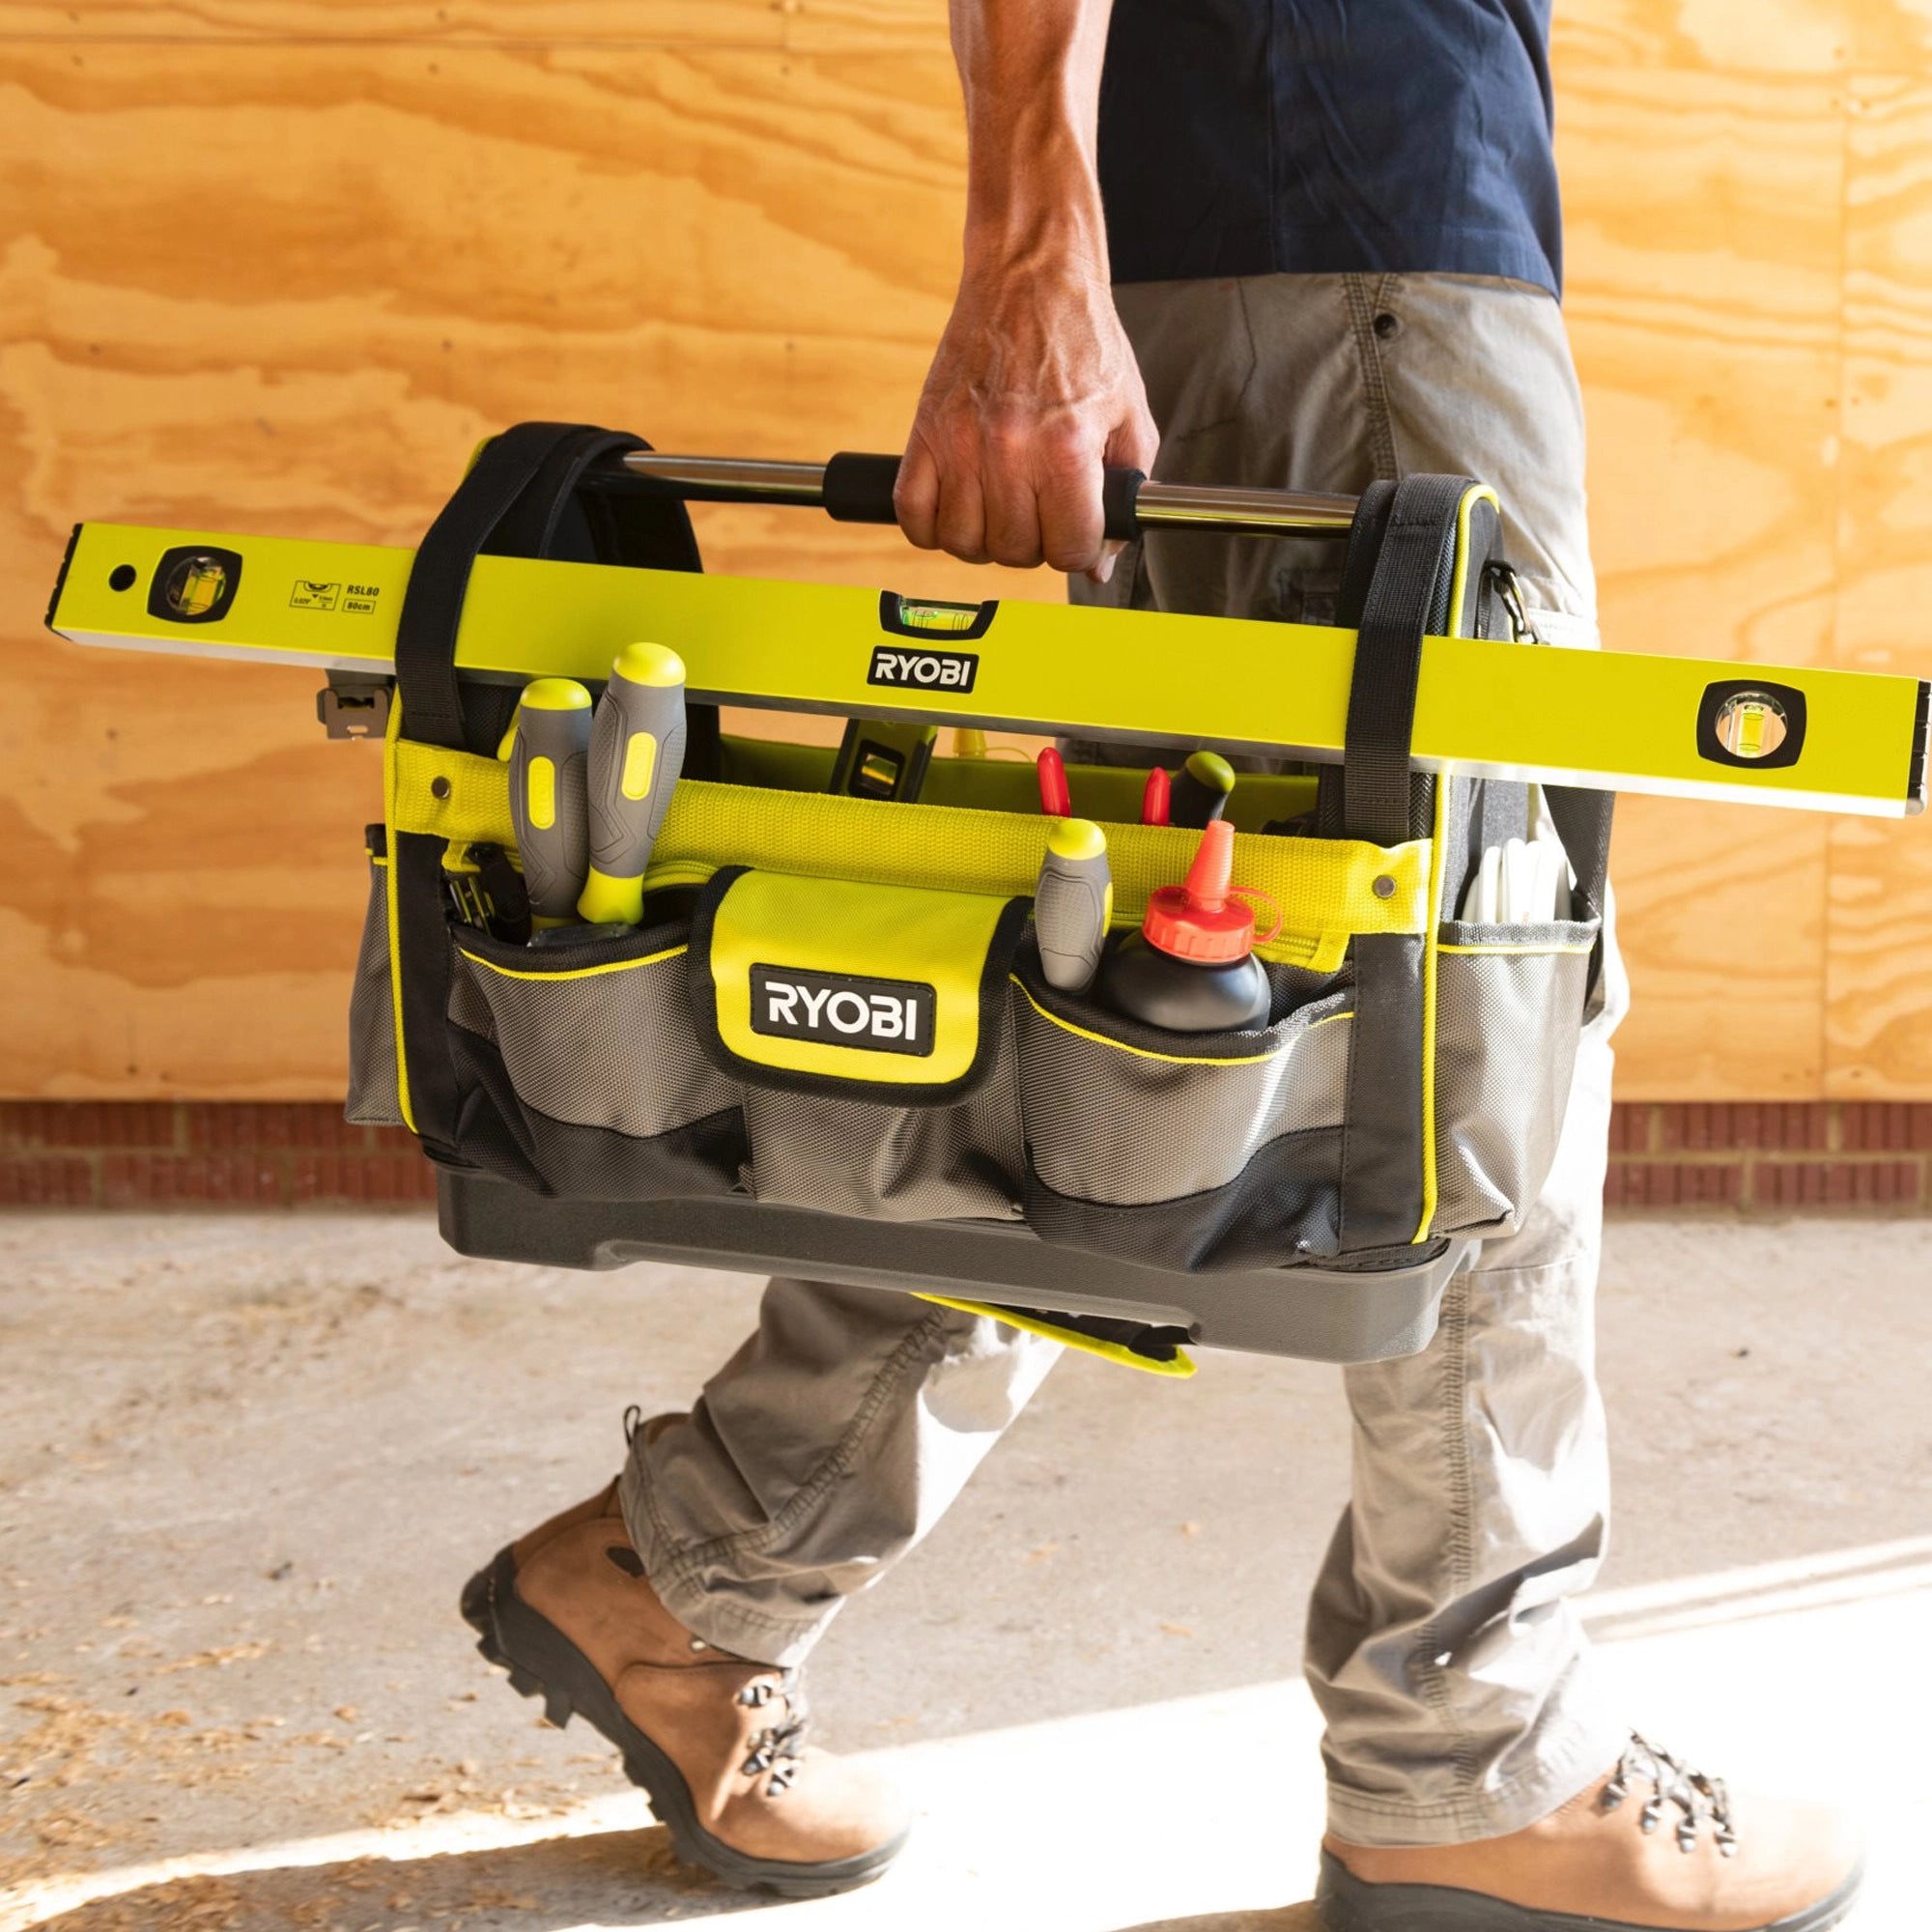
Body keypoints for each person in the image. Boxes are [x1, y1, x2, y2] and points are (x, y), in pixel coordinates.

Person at [460, 4, 1865, 1926]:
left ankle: (693, 1565)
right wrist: (1027, 250)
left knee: (1144, 1064)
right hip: (1360, 248)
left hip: (1307, 243)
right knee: (1472, 1021)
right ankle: (1471, 1765)